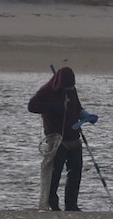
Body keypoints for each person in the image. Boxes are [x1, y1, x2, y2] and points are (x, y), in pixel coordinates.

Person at [27, 66, 98, 211]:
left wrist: (86, 116)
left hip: (73, 137)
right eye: (67, 85)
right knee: (54, 172)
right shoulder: (47, 91)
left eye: (71, 85)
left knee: (75, 171)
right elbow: (32, 106)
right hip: (56, 139)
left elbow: (77, 107)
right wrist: (53, 107)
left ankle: (71, 205)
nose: (69, 88)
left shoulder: (71, 90)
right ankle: (52, 204)